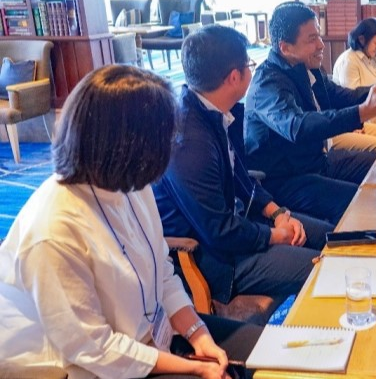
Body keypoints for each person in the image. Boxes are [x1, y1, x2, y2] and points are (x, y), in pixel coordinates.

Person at [0, 65, 261, 379]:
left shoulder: (130, 184)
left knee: (266, 352)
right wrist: (194, 366)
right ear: (130, 148)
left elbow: (162, 272)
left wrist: (198, 334)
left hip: (148, 335)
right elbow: (94, 349)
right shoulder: (52, 233)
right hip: (82, 367)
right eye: (165, 139)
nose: (172, 147)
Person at [154, 25, 332, 309]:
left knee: (331, 237)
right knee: (325, 271)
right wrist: (275, 235)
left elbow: (239, 174)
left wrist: (277, 213)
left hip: (243, 225)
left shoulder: (218, 110)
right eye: (249, 63)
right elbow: (218, 230)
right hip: (218, 258)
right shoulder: (190, 142)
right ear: (234, 77)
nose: (253, 69)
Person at [245, 1, 376, 223]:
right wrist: (364, 112)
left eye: (318, 36)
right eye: (312, 39)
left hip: (317, 162)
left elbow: (343, 96)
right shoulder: (267, 84)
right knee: (364, 203)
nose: (321, 45)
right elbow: (299, 127)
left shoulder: (308, 69)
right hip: (285, 180)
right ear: (285, 48)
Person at [330, 17, 376, 151]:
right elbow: (351, 101)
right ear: (361, 39)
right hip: (359, 121)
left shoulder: (375, 59)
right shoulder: (349, 61)